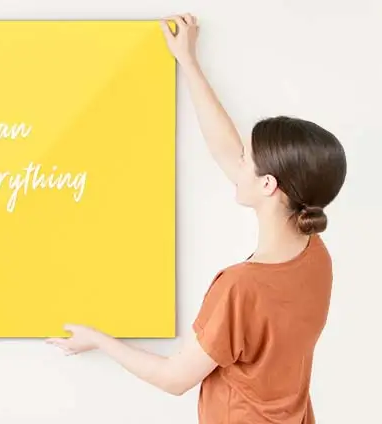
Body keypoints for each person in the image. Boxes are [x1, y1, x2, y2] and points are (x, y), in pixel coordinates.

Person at [45, 13, 347, 424]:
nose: (236, 162)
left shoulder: (241, 287)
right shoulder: (316, 256)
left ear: (269, 186)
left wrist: (98, 339)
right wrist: (188, 61)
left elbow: (175, 378)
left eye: (247, 161)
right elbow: (227, 150)